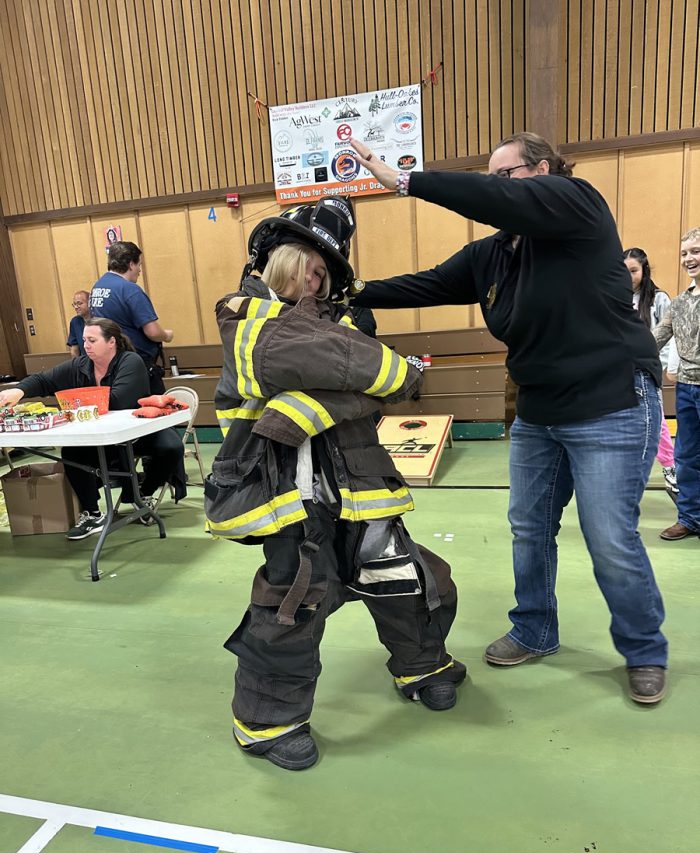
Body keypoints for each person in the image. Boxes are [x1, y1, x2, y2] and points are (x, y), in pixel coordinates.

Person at [350, 131, 667, 705]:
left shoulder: (578, 205)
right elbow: (429, 284)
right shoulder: (494, 254)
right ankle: (535, 630)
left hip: (611, 402)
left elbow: (502, 201)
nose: (497, 189)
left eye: (505, 176)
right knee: (529, 527)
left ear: (542, 170)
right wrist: (348, 293)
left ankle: (644, 650)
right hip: (541, 410)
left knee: (610, 538)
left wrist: (406, 181)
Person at [205, 196, 466, 771]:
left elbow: (391, 377)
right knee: (295, 599)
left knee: (401, 574)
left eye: (325, 273)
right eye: (307, 266)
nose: (315, 281)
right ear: (276, 260)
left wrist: (313, 399)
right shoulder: (243, 315)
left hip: (360, 481)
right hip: (284, 492)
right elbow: (374, 370)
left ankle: (424, 666)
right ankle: (267, 723)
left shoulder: (341, 325)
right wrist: (373, 380)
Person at [0, 318, 185, 540]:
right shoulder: (80, 364)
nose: (86, 345)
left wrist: (78, 400)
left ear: (111, 342)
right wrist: (18, 391)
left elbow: (118, 401)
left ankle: (143, 494)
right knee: (72, 451)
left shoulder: (130, 361)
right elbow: (43, 380)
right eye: (84, 340)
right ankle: (92, 513)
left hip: (138, 431)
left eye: (92, 340)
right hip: (102, 434)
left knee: (171, 447)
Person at [653, 227, 700, 541]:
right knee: (685, 456)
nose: (688, 258)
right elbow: (654, 339)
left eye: (695, 251)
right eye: (684, 253)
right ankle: (691, 518)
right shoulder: (680, 303)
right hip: (686, 388)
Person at [623, 247, 679, 499]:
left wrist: (662, 366)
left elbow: (667, 337)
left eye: (633, 270)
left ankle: (669, 467)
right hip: (621, 372)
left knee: (655, 423)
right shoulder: (618, 298)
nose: (629, 276)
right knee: (626, 423)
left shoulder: (659, 299)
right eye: (624, 271)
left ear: (644, 270)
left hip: (649, 371)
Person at [90, 242, 174, 394]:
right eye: (139, 264)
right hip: (136, 364)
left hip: (110, 364)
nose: (140, 270)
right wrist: (167, 335)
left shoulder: (98, 287)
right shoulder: (129, 289)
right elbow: (152, 332)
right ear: (130, 264)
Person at [66, 290, 91, 358]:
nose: (76, 307)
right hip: (84, 362)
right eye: (74, 304)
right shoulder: (75, 322)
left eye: (79, 303)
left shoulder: (100, 319)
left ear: (89, 303)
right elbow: (74, 349)